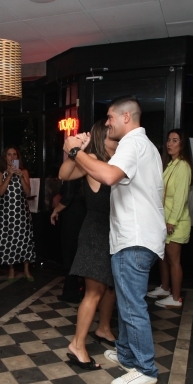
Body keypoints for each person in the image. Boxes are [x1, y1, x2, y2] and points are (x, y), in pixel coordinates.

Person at [63, 97, 165, 384]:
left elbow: (107, 175)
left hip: (134, 238)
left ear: (125, 118)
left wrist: (73, 150)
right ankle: (128, 355)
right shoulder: (142, 145)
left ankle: (145, 368)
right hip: (131, 236)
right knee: (126, 301)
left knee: (132, 306)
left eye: (109, 117)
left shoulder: (133, 144)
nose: (106, 123)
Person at [58, 121, 119, 369]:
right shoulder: (92, 159)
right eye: (112, 136)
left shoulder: (118, 158)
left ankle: (103, 328)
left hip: (113, 230)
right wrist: (77, 151)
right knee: (94, 291)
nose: (117, 138)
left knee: (109, 287)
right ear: (101, 138)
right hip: (96, 231)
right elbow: (64, 174)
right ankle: (77, 344)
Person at [148, 130, 193, 309]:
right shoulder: (171, 164)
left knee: (174, 260)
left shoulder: (183, 166)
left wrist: (171, 222)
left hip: (175, 223)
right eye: (168, 140)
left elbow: (180, 198)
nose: (170, 144)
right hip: (164, 220)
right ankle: (165, 288)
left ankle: (175, 298)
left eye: (175, 140)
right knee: (163, 257)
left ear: (182, 144)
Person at [0, 146, 36, 281]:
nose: (12, 157)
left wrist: (21, 176)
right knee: (8, 240)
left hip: (21, 212)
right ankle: (11, 269)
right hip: (7, 213)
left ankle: (26, 269)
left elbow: (28, 192)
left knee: (25, 239)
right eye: (9, 155)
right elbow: (0, 192)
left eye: (14, 155)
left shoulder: (24, 172)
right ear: (5, 158)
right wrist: (10, 174)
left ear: (18, 157)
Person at [50, 176, 86, 303]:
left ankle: (71, 292)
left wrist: (56, 210)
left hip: (73, 215)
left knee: (69, 252)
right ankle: (84, 291)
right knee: (81, 253)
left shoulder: (74, 170)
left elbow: (68, 196)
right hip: (85, 213)